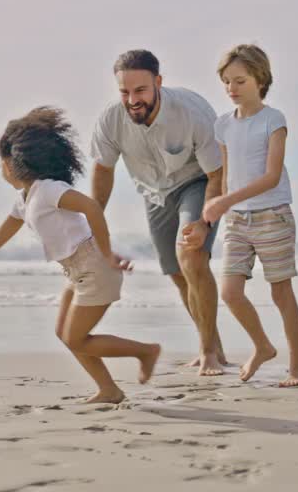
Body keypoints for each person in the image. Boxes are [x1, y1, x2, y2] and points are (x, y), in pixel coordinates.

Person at [0, 106, 160, 403]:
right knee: (65, 334)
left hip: (94, 267)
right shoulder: (25, 200)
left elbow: (91, 208)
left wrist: (106, 254)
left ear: (15, 162)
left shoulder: (48, 190)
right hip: (78, 270)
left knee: (76, 337)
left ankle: (145, 351)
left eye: (1, 162)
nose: (0, 168)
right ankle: (109, 389)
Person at [91, 50, 227, 375]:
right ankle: (214, 344)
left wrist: (205, 224)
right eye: (125, 92)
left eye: (140, 91)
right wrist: (95, 226)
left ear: (158, 83)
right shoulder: (111, 120)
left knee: (192, 257)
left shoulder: (192, 112)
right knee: (178, 274)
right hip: (153, 193)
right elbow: (103, 171)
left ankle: (208, 353)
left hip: (197, 182)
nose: (132, 100)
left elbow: (217, 175)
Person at [203, 44, 298, 387]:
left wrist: (226, 199)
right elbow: (227, 175)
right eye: (227, 82)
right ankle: (262, 346)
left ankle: (297, 369)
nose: (232, 89)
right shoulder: (222, 125)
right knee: (230, 292)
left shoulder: (273, 119)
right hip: (237, 221)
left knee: (281, 293)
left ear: (260, 80)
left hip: (272, 215)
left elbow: (271, 176)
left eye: (240, 81)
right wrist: (208, 215)